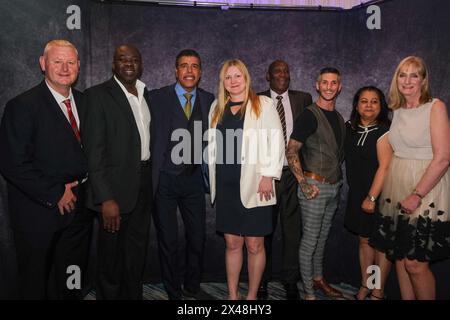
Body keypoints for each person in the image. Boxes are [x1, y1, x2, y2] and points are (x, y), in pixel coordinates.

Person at [0, 39, 92, 299]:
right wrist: (55, 193)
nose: (65, 68)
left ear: (78, 66)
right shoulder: (22, 106)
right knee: (36, 281)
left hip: (80, 209)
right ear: (43, 64)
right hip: (38, 212)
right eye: (57, 61)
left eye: (71, 62)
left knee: (72, 276)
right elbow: (12, 162)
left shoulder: (86, 103)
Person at [370, 56, 450, 300]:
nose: (407, 80)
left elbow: (443, 157)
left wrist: (417, 194)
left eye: (414, 75)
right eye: (402, 75)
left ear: (423, 80)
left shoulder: (435, 106)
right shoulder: (397, 110)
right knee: (402, 258)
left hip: (426, 188)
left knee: (415, 264)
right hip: (397, 186)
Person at [207, 59, 284, 300]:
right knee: (232, 244)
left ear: (246, 78)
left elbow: (276, 141)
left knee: (254, 245)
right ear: (223, 82)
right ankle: (232, 296)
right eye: (228, 77)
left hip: (256, 185)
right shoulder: (216, 107)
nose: (233, 81)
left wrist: (268, 175)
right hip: (226, 186)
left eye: (237, 75)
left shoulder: (263, 104)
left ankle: (251, 297)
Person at [82, 44, 152, 299]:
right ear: (114, 64)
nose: (129, 64)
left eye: (134, 59)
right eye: (123, 59)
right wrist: (105, 198)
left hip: (143, 186)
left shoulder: (145, 94)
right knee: (110, 259)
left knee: (135, 255)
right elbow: (93, 152)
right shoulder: (97, 95)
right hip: (113, 191)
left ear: (141, 64)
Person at [149, 49, 215, 300]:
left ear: (200, 72)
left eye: (195, 66)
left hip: (194, 180)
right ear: (175, 70)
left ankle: (192, 285)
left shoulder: (209, 100)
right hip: (164, 179)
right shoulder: (155, 98)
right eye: (184, 66)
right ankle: (172, 290)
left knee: (197, 238)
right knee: (168, 240)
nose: (189, 71)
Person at [287, 67, 345, 300]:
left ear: (339, 87)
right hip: (314, 186)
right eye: (325, 83)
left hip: (334, 186)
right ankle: (309, 294)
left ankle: (318, 280)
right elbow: (291, 150)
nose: (329, 87)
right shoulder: (309, 115)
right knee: (310, 240)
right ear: (317, 85)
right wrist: (303, 183)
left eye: (334, 83)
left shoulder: (339, 117)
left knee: (322, 238)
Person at [258, 60, 312, 300]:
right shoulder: (256, 99)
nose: (283, 75)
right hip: (266, 176)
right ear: (267, 76)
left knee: (293, 231)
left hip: (294, 175)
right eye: (277, 71)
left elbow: (311, 136)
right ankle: (261, 281)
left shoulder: (303, 99)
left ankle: (290, 281)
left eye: (286, 71)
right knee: (263, 231)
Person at [344, 86, 392, 300]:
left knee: (379, 245)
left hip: (378, 195)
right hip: (357, 194)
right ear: (356, 105)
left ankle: (377, 290)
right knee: (364, 242)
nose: (369, 105)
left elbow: (385, 167)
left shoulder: (384, 131)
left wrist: (372, 197)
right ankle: (366, 284)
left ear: (381, 106)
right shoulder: (349, 129)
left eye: (374, 101)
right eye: (364, 101)